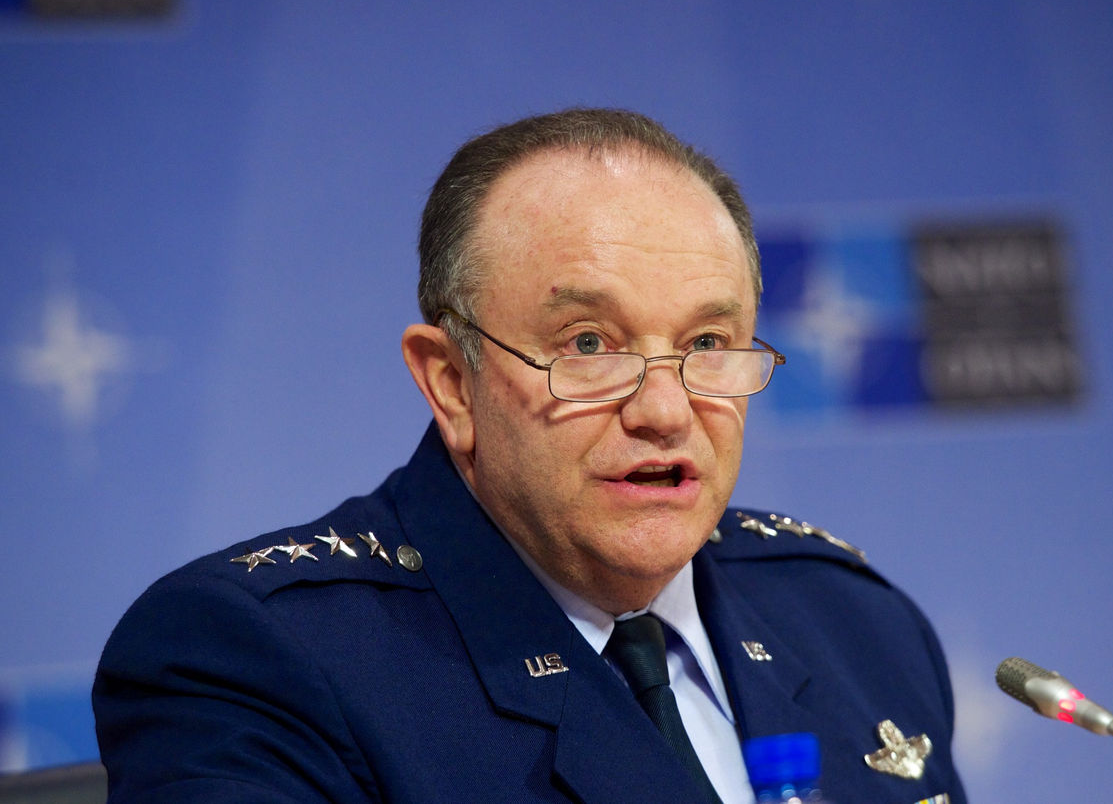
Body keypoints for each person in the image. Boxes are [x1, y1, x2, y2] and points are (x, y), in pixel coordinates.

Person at [93, 108, 966, 803]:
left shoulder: (854, 623)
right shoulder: (257, 658)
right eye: (588, 344)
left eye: (708, 341)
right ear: (451, 383)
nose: (665, 410)